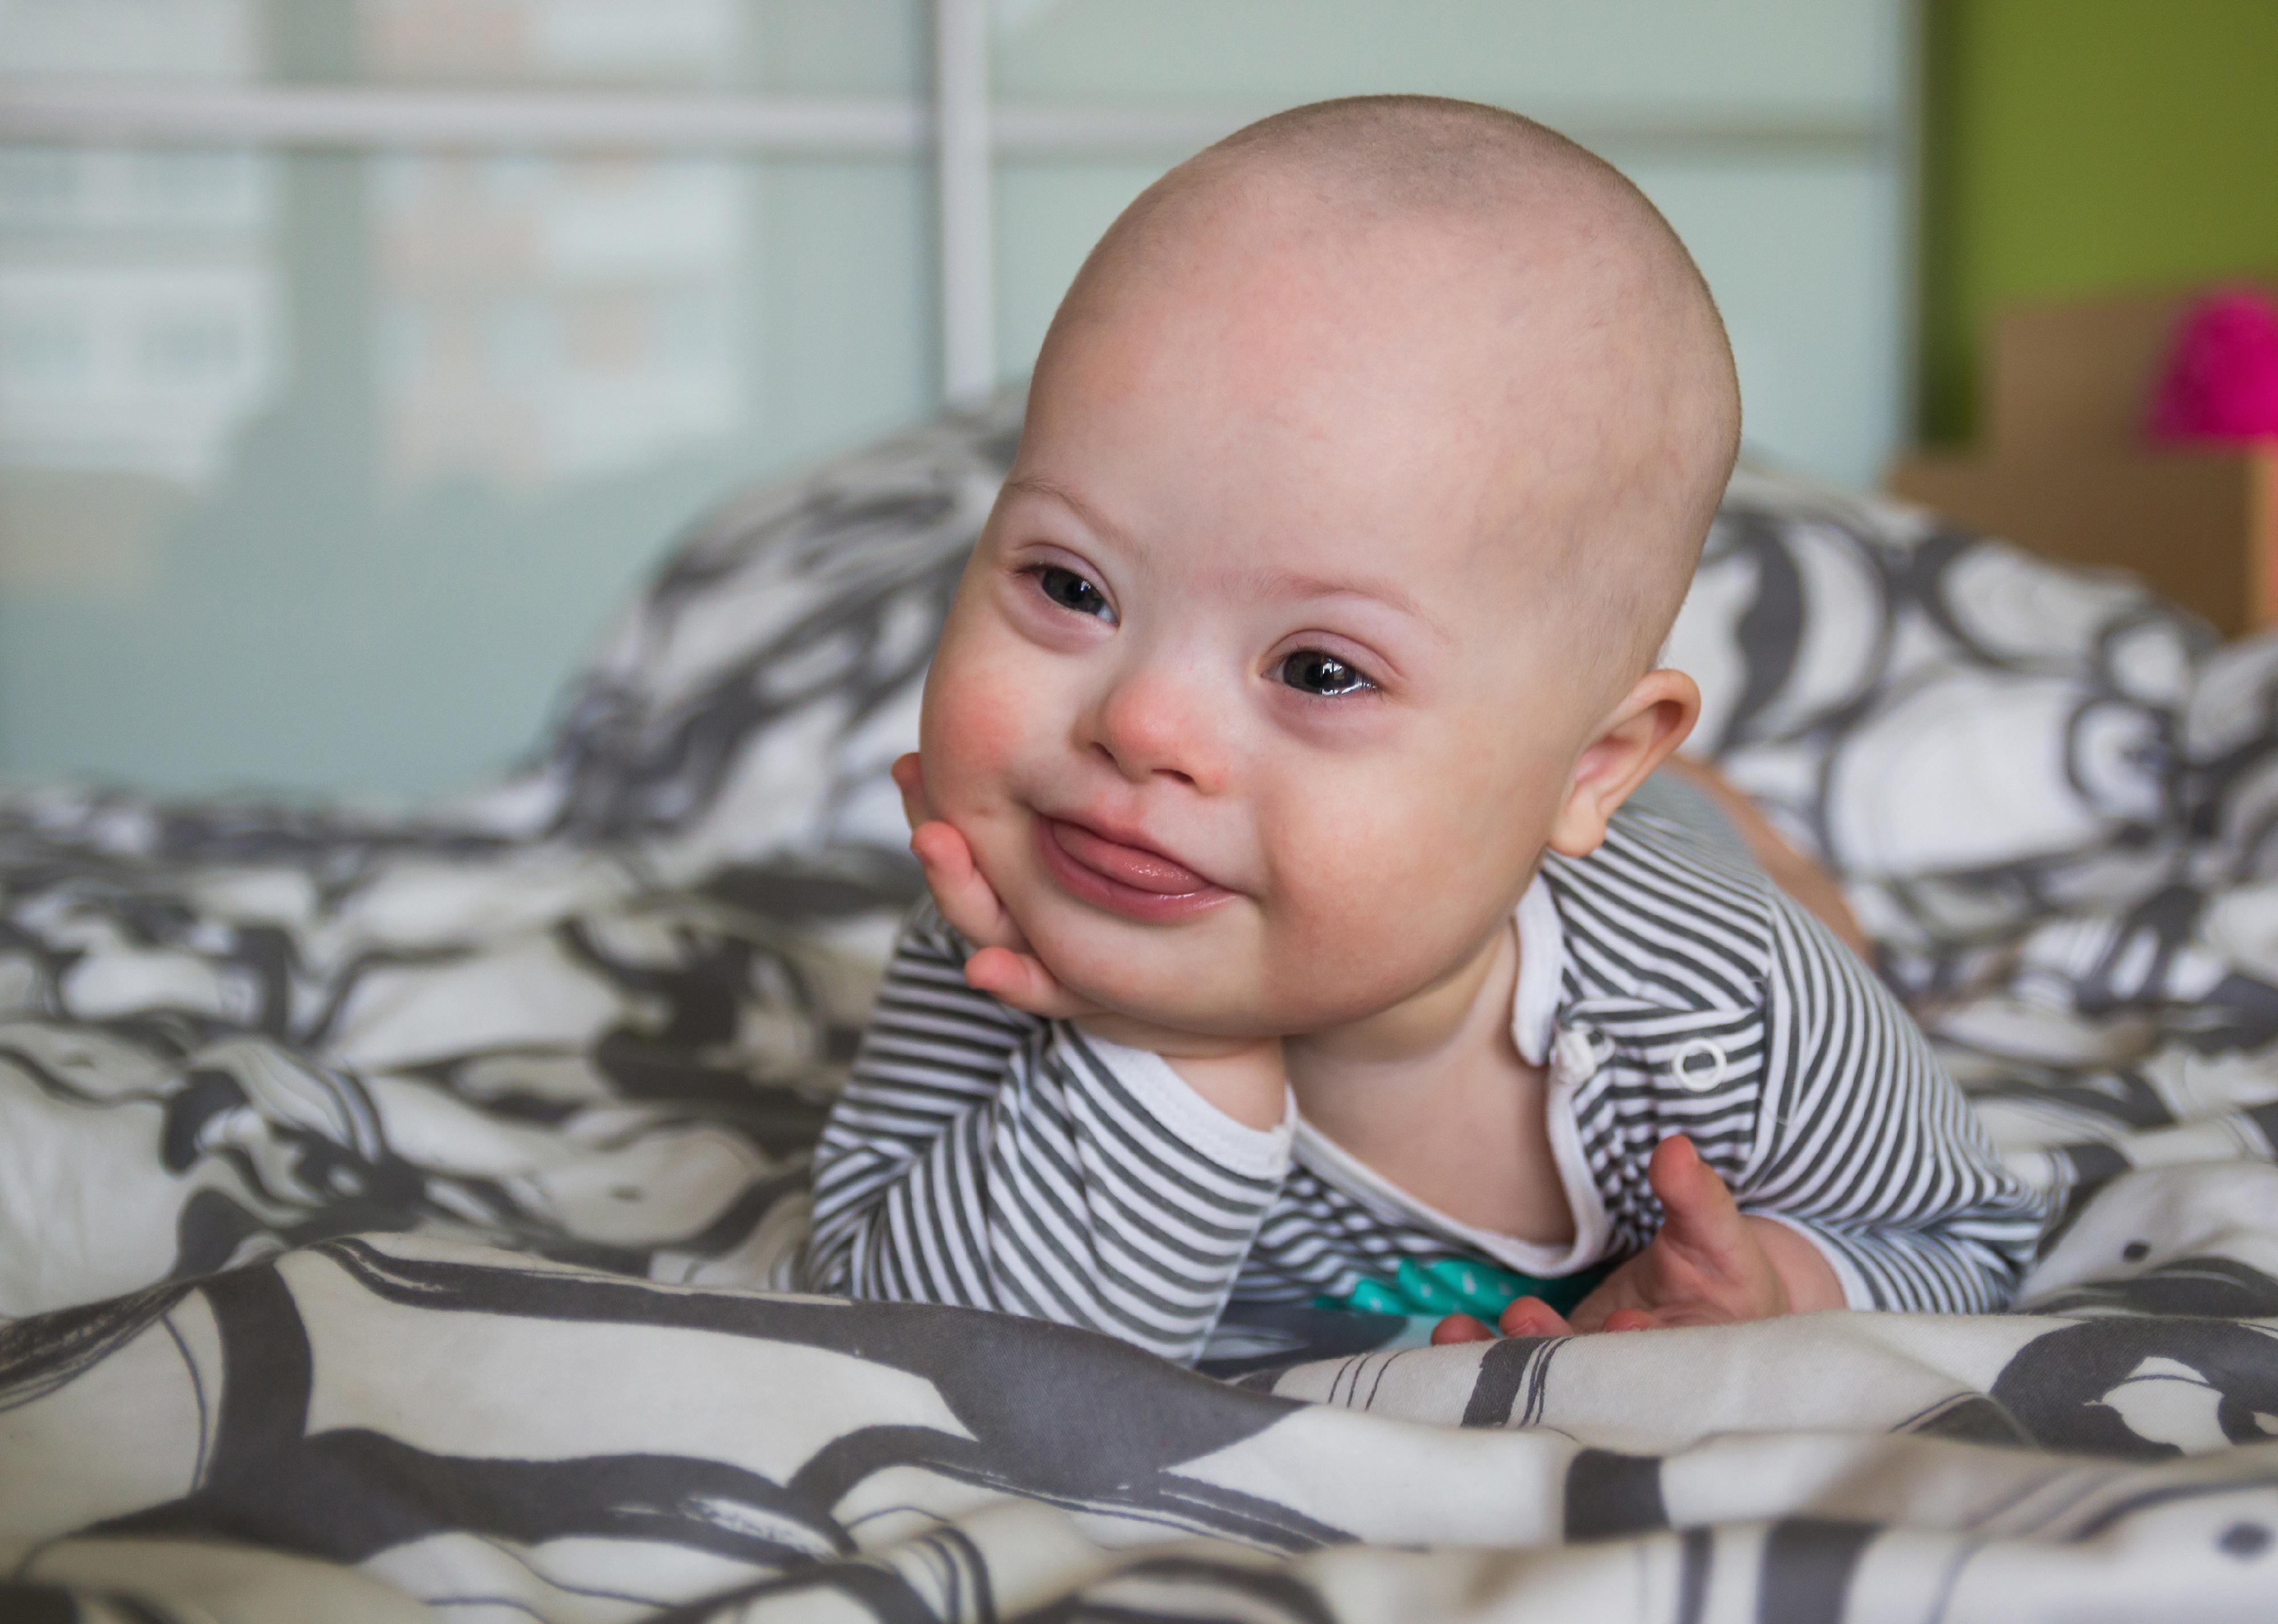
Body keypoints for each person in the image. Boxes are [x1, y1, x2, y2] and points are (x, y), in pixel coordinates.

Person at [798, 96, 2051, 1364]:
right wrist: (1166, 1053)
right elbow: (911, 1329)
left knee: (1802, 910)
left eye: (1322, 670)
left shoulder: (1734, 1006)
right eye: (1073, 588)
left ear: (1592, 762)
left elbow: (1961, 1237)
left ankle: (1719, 817)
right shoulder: (1016, 930)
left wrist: (1784, 1282)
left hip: (1664, 870)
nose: (1139, 724)